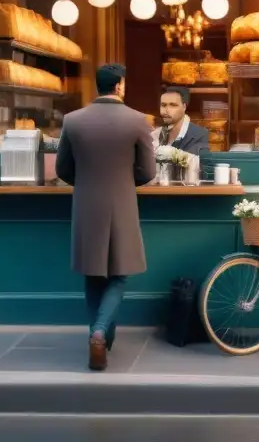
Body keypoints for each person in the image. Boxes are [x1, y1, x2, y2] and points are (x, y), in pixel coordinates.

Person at [55, 63, 156, 371]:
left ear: (97, 86)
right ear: (120, 86)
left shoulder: (72, 121)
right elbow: (148, 171)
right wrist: (126, 181)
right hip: (122, 202)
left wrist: (85, 181)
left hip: (85, 203)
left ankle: (100, 338)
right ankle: (99, 333)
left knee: (93, 272)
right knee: (119, 273)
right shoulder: (138, 120)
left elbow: (62, 169)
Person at [153, 86, 209, 156]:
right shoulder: (155, 135)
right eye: (163, 105)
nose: (166, 110)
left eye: (173, 105)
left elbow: (197, 164)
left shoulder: (199, 135)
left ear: (184, 107)